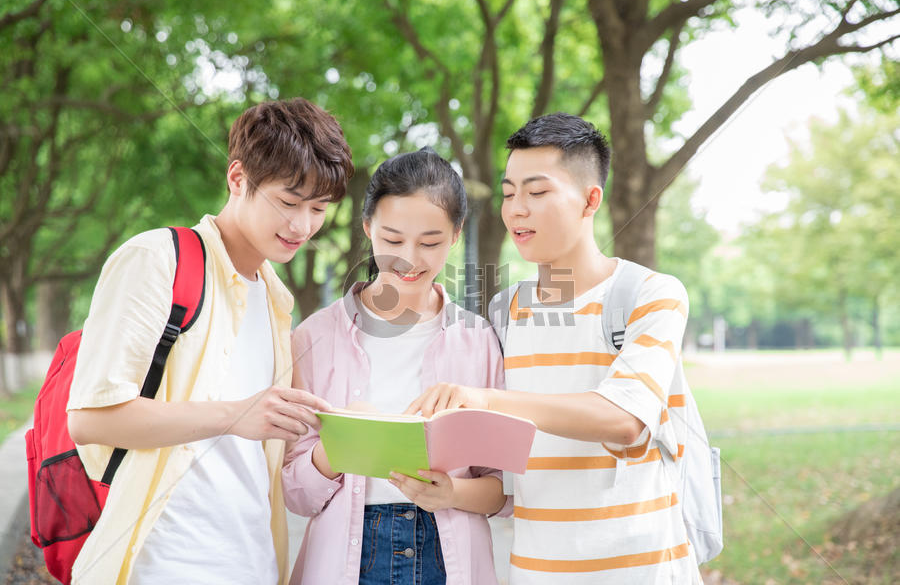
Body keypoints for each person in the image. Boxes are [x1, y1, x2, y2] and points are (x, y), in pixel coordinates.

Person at [65, 97, 353, 585]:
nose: (302, 226)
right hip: (161, 564)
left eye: (319, 209)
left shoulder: (276, 302)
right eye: (287, 202)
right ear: (238, 179)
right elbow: (89, 418)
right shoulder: (158, 260)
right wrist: (236, 415)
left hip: (254, 564)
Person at [408, 113, 703, 583]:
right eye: (508, 193)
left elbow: (624, 421)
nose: (516, 209)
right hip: (536, 571)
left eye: (538, 192)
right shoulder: (505, 312)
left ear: (591, 200)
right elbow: (508, 475)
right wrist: (450, 492)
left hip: (640, 569)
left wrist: (484, 398)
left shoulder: (650, 294)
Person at [281, 147, 509, 585]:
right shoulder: (314, 338)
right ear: (367, 229)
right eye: (391, 240)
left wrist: (451, 492)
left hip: (447, 553)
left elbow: (500, 490)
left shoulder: (478, 341)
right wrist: (344, 445)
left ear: (456, 235)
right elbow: (296, 494)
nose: (408, 259)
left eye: (430, 243)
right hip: (349, 556)